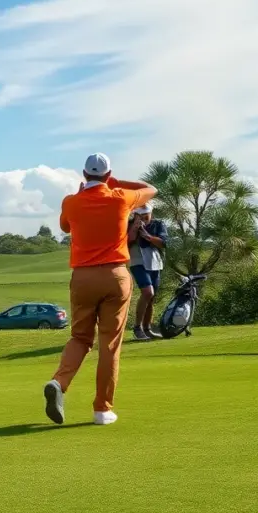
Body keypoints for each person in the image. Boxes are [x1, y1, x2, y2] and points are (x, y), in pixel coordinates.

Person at [43, 153, 156, 426]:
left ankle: (59, 382)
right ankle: (102, 410)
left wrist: (84, 192)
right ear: (108, 175)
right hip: (115, 276)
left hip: (82, 278)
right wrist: (115, 181)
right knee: (109, 344)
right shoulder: (120, 196)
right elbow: (151, 189)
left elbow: (64, 226)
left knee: (80, 338)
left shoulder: (71, 201)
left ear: (84, 175)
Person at [128, 204, 169, 341]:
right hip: (137, 261)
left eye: (147, 214)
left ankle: (147, 328)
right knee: (147, 292)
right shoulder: (129, 224)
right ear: (136, 215)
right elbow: (128, 241)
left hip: (154, 262)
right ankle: (137, 328)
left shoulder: (158, 224)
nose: (145, 217)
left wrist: (148, 237)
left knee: (151, 299)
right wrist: (135, 227)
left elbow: (163, 243)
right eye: (141, 215)